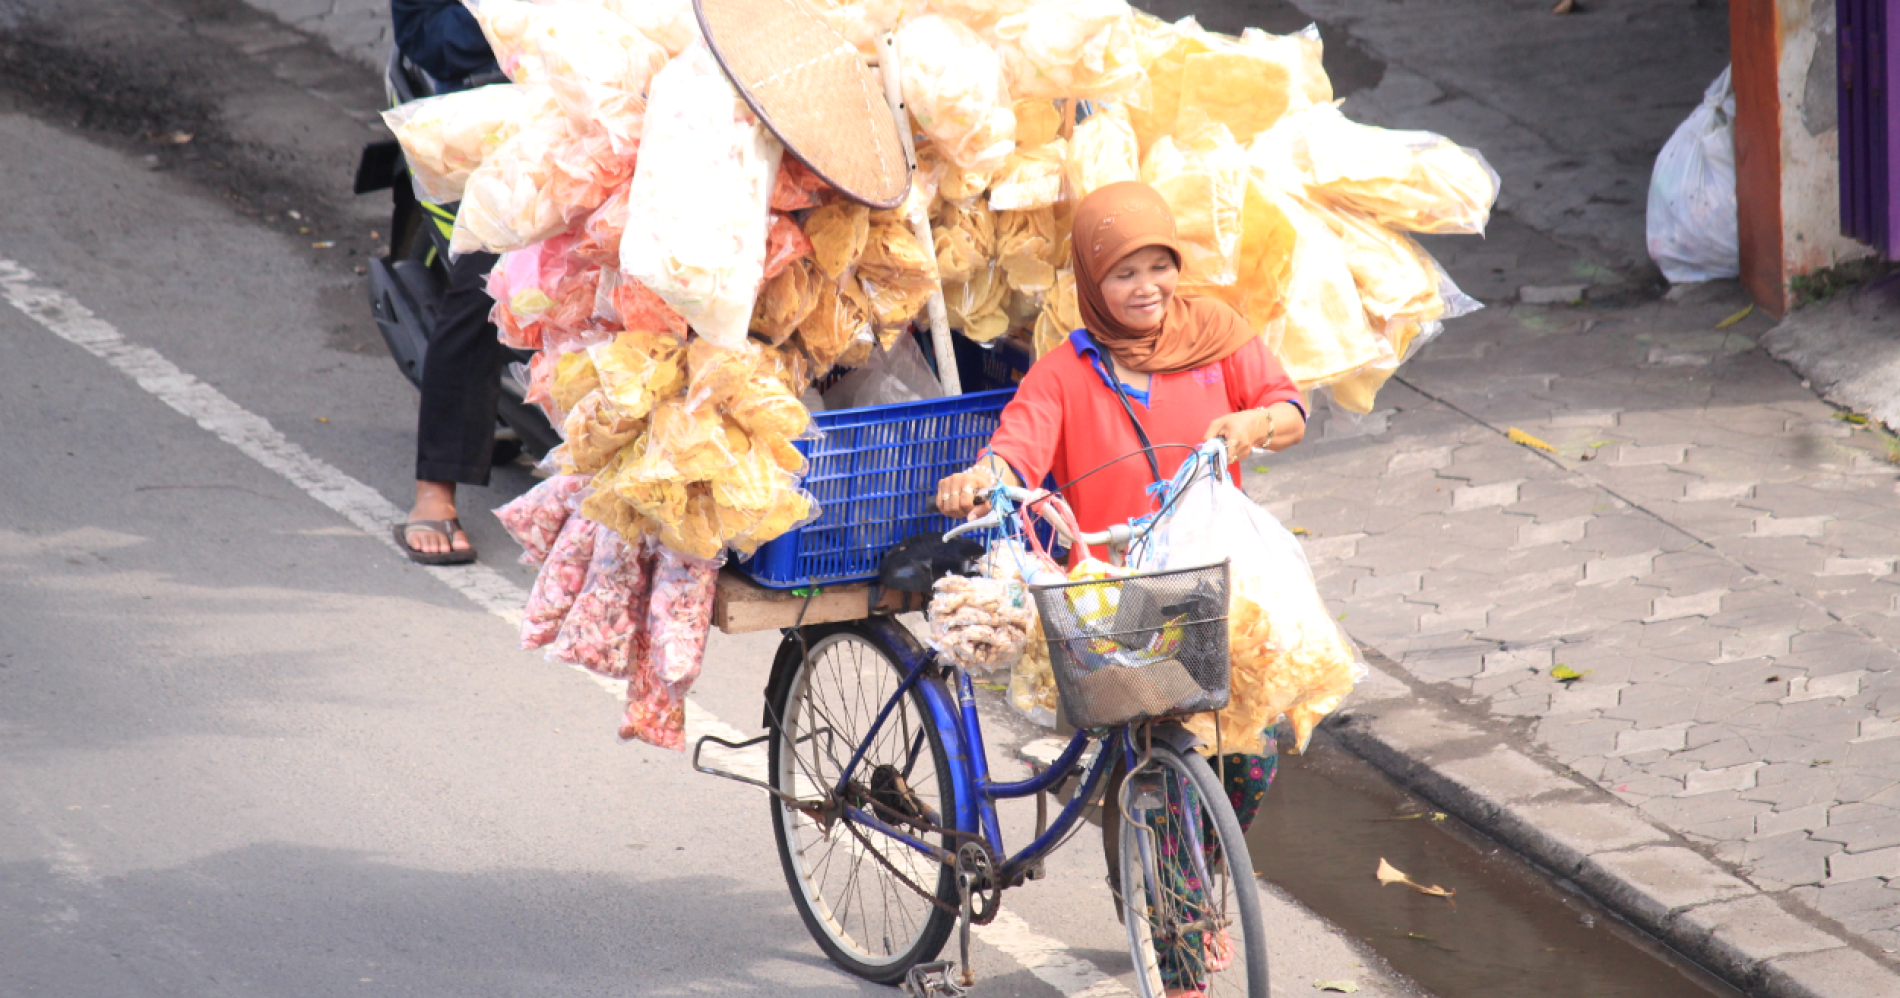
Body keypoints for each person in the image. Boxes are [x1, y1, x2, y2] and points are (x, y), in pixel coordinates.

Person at [935, 180, 1307, 993]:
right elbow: (1016, 450)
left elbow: (1289, 408)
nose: (1146, 288)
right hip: (1111, 599)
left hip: (1209, 588)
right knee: (1158, 763)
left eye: (1158, 266)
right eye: (1123, 274)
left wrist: (1253, 423)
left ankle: (1194, 870)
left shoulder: (1215, 335)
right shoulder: (1065, 373)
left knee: (1252, 759)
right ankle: (1179, 951)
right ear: (1091, 282)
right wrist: (981, 478)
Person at [388, 0, 504, 564]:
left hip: (617, 106)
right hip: (494, 113)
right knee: (493, 277)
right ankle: (434, 490)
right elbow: (423, 35)